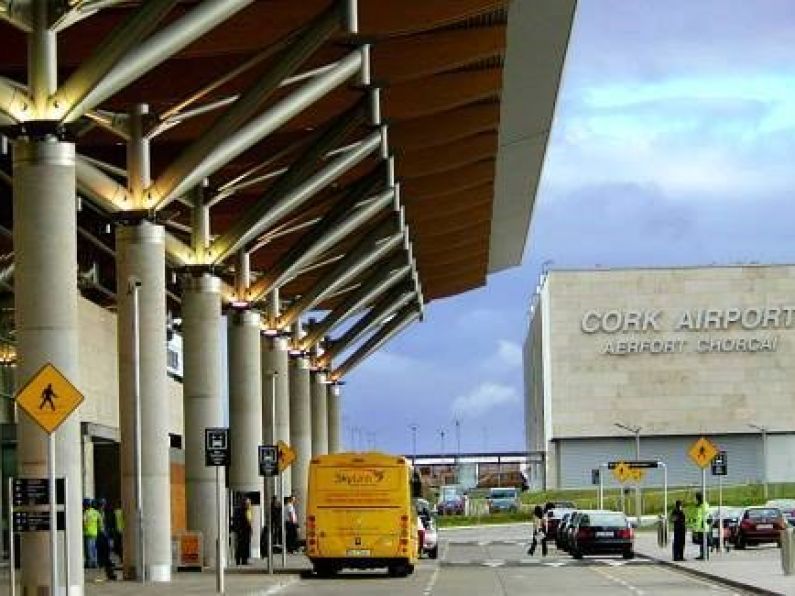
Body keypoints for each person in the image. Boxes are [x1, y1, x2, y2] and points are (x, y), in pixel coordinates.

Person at [233, 498, 253, 565]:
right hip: (243, 531)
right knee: (243, 546)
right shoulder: (243, 511)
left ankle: (241, 560)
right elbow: (247, 521)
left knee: (242, 546)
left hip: (242, 531)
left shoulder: (241, 510)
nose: (249, 505)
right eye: (248, 503)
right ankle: (242, 560)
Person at [83, 499, 102, 569]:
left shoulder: (86, 513)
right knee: (94, 548)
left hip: (87, 533)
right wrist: (99, 529)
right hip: (94, 533)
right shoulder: (96, 512)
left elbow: (84, 523)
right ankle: (95, 562)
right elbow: (100, 521)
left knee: (88, 549)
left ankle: (89, 563)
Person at [692, 492, 710, 560]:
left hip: (702, 527)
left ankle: (704, 555)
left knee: (703, 542)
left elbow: (698, 518)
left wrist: (695, 528)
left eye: (696, 498)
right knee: (702, 542)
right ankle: (703, 555)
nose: (695, 499)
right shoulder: (703, 505)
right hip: (703, 527)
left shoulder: (701, 506)